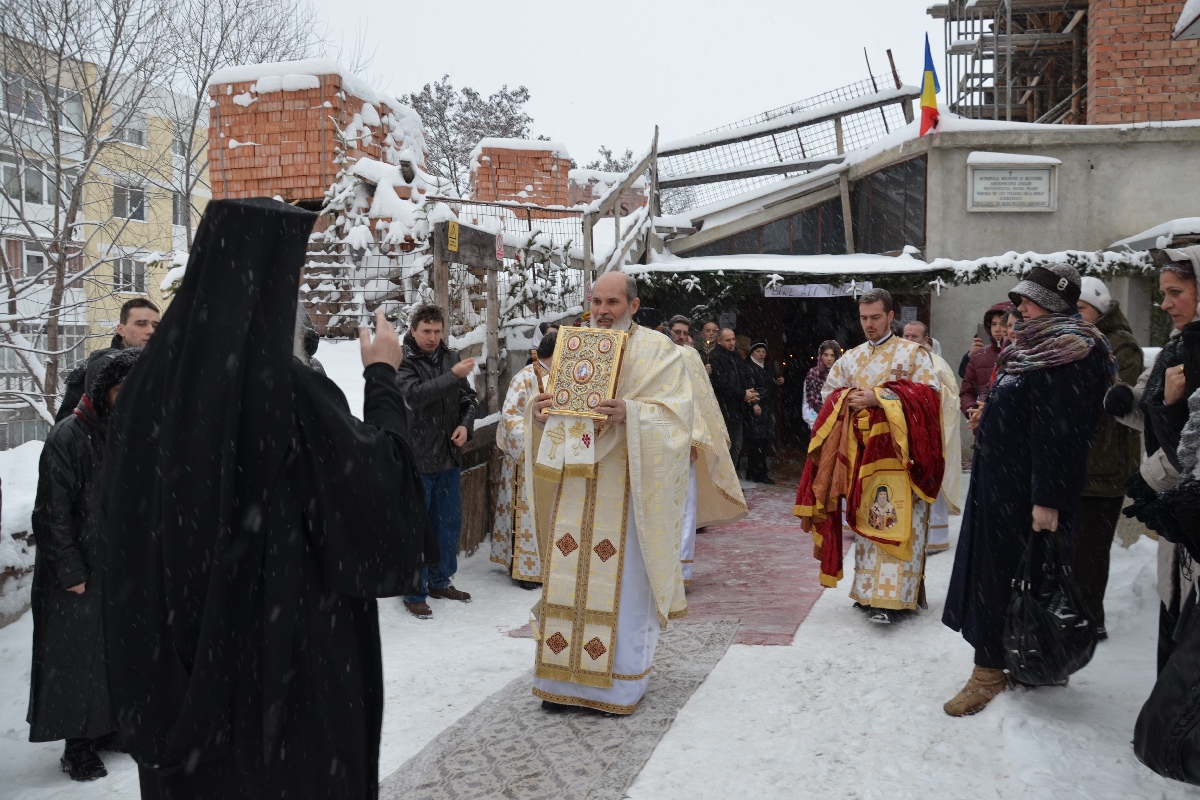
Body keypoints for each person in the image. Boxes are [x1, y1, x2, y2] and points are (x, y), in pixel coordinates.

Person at [101, 198, 435, 798]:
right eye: (292, 276)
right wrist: (383, 376)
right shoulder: (283, 390)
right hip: (282, 666)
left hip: (181, 676)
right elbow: (380, 491)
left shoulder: (150, 382)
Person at [942, 263, 1112, 717]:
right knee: (1006, 576)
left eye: (1029, 301)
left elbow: (1064, 435)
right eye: (1019, 300)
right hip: (1002, 486)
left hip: (1027, 495)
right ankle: (1025, 661)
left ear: (1053, 304)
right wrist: (992, 415)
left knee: (1010, 579)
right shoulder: (1032, 347)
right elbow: (1027, 410)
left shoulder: (1071, 351)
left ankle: (991, 670)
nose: (1019, 308)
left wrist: (1047, 500)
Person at [527, 272, 693, 715]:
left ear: (633, 306)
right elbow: (559, 408)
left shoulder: (659, 351)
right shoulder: (574, 345)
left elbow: (679, 419)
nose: (602, 311)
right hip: (576, 485)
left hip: (629, 490)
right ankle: (559, 680)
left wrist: (632, 413)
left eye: (612, 302)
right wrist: (540, 414)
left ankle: (617, 686)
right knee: (567, 581)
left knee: (623, 590)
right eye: (596, 301)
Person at [795, 289, 943, 625]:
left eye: (876, 317)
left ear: (890, 316)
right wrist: (848, 398)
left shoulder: (913, 354)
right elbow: (830, 397)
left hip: (903, 459)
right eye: (863, 318)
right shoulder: (851, 358)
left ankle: (896, 598)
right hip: (863, 456)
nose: (869, 324)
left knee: (900, 522)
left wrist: (881, 398)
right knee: (868, 522)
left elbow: (930, 397)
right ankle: (868, 593)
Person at [27, 347, 140, 782]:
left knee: (112, 654)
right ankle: (77, 746)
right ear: (103, 390)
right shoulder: (69, 436)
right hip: (74, 572)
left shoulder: (128, 433)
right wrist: (70, 570)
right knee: (74, 659)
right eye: (122, 391)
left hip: (116, 568)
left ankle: (107, 729)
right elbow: (51, 513)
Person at [1109, 245, 1200, 672]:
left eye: (1175, 292)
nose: (1164, 304)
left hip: (1187, 506)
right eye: (1163, 293)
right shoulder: (1178, 345)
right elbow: (1151, 410)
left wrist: (1151, 476)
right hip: (1178, 513)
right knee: (1175, 620)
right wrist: (1123, 401)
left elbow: (1188, 445)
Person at [397, 304, 479, 619]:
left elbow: (468, 399)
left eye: (437, 331)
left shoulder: (450, 357)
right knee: (418, 527)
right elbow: (413, 397)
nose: (432, 337)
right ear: (413, 331)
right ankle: (414, 591)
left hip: (448, 455)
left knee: (447, 523)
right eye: (426, 331)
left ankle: (440, 580)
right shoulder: (403, 360)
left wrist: (465, 425)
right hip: (417, 458)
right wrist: (451, 376)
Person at [1073, 276, 1143, 639]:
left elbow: (1114, 403)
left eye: (1081, 308)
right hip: (1079, 465)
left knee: (1090, 552)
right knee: (1073, 551)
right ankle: (1073, 617)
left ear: (1099, 310)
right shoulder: (1077, 340)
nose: (1074, 314)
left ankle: (1089, 623)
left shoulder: (1122, 346)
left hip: (1106, 468)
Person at [671, 319, 747, 585]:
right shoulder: (657, 355)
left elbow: (699, 400)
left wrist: (695, 439)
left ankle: (681, 570)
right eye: (676, 332)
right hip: (655, 438)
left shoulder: (691, 357)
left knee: (685, 506)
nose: (681, 337)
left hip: (686, 439)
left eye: (684, 333)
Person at [492, 332, 556, 589]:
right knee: (527, 514)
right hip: (528, 460)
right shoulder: (526, 377)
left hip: (554, 458)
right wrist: (532, 444)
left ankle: (548, 566)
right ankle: (524, 571)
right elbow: (510, 417)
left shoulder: (560, 377)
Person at [903, 321, 965, 553]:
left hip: (930, 434)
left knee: (930, 480)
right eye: (906, 336)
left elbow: (951, 398)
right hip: (903, 433)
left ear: (925, 339)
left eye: (915, 336)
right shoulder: (895, 363)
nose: (910, 340)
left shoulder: (937, 364)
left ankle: (934, 537)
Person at [56, 298, 162, 423]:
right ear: (121, 330)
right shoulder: (94, 369)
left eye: (156, 325)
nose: (151, 331)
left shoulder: (167, 367)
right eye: (141, 324)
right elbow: (69, 427)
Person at [959, 301, 1012, 435]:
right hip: (982, 428)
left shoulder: (1020, 353)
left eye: (1002, 324)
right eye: (993, 324)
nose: (998, 329)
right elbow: (967, 391)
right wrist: (974, 411)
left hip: (1011, 424)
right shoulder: (978, 355)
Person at [709, 327, 756, 476]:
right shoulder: (716, 356)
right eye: (728, 340)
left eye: (733, 339)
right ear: (719, 341)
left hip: (737, 409)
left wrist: (750, 392)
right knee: (725, 447)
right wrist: (743, 394)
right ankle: (723, 479)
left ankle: (731, 478)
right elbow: (721, 384)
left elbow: (744, 374)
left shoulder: (735, 355)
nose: (731, 343)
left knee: (736, 446)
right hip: (724, 408)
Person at [744, 341, 777, 484]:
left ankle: (753, 471)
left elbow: (769, 386)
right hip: (757, 409)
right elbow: (749, 387)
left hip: (766, 408)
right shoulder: (749, 367)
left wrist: (777, 382)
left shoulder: (766, 367)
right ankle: (759, 473)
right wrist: (754, 404)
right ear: (752, 352)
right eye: (758, 351)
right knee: (756, 442)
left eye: (763, 351)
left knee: (761, 441)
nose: (761, 354)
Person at [803, 340, 841, 430]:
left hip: (837, 422)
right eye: (826, 355)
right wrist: (812, 421)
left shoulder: (841, 375)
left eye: (832, 355)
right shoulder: (813, 374)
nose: (829, 359)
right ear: (820, 356)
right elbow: (806, 402)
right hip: (816, 421)